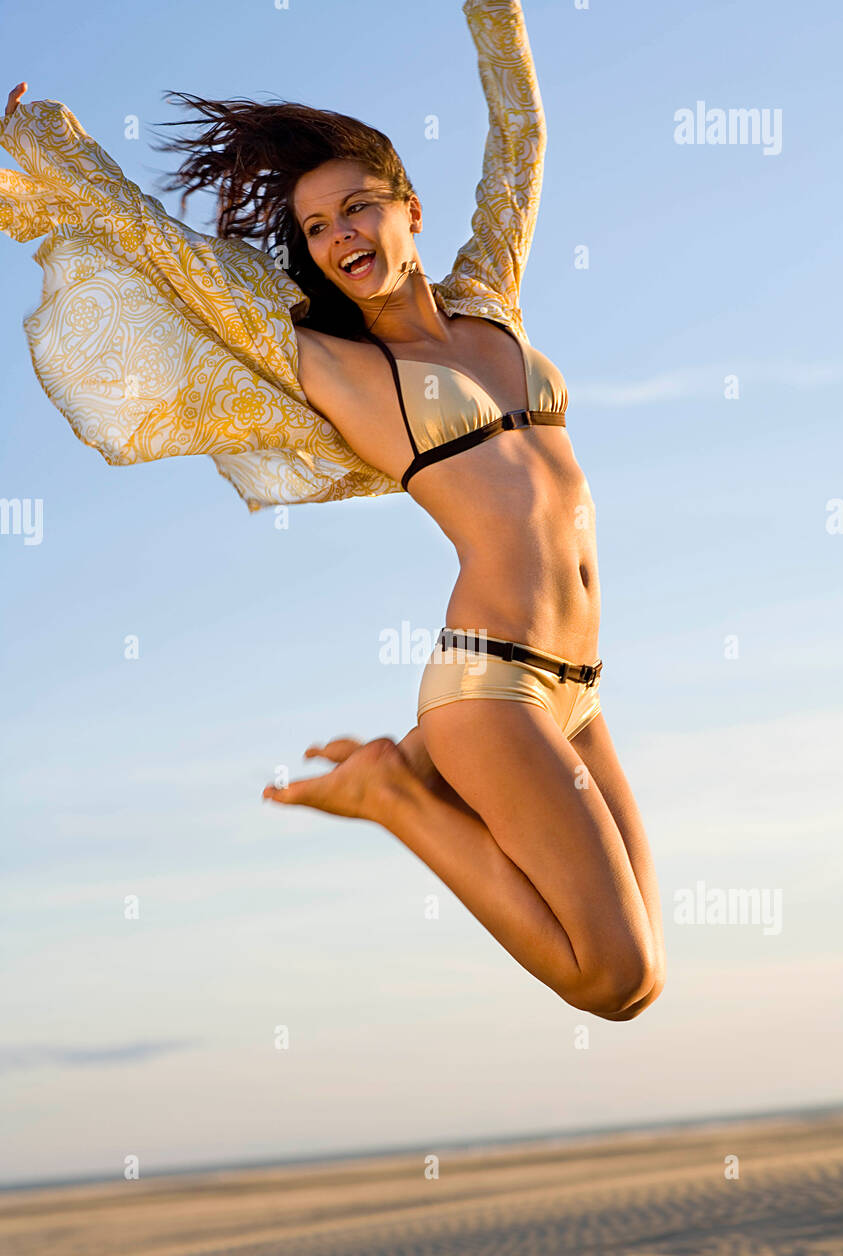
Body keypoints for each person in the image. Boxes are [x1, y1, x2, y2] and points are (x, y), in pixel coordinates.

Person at [2, 0, 664, 1020]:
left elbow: (519, 135)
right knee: (608, 977)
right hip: (489, 690)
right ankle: (393, 792)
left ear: (408, 209)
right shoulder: (332, 362)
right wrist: (37, 149)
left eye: (355, 208)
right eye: (314, 228)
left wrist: (494, 12)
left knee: (646, 976)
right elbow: (152, 239)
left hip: (579, 689)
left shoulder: (490, 299)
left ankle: (395, 784)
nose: (338, 237)